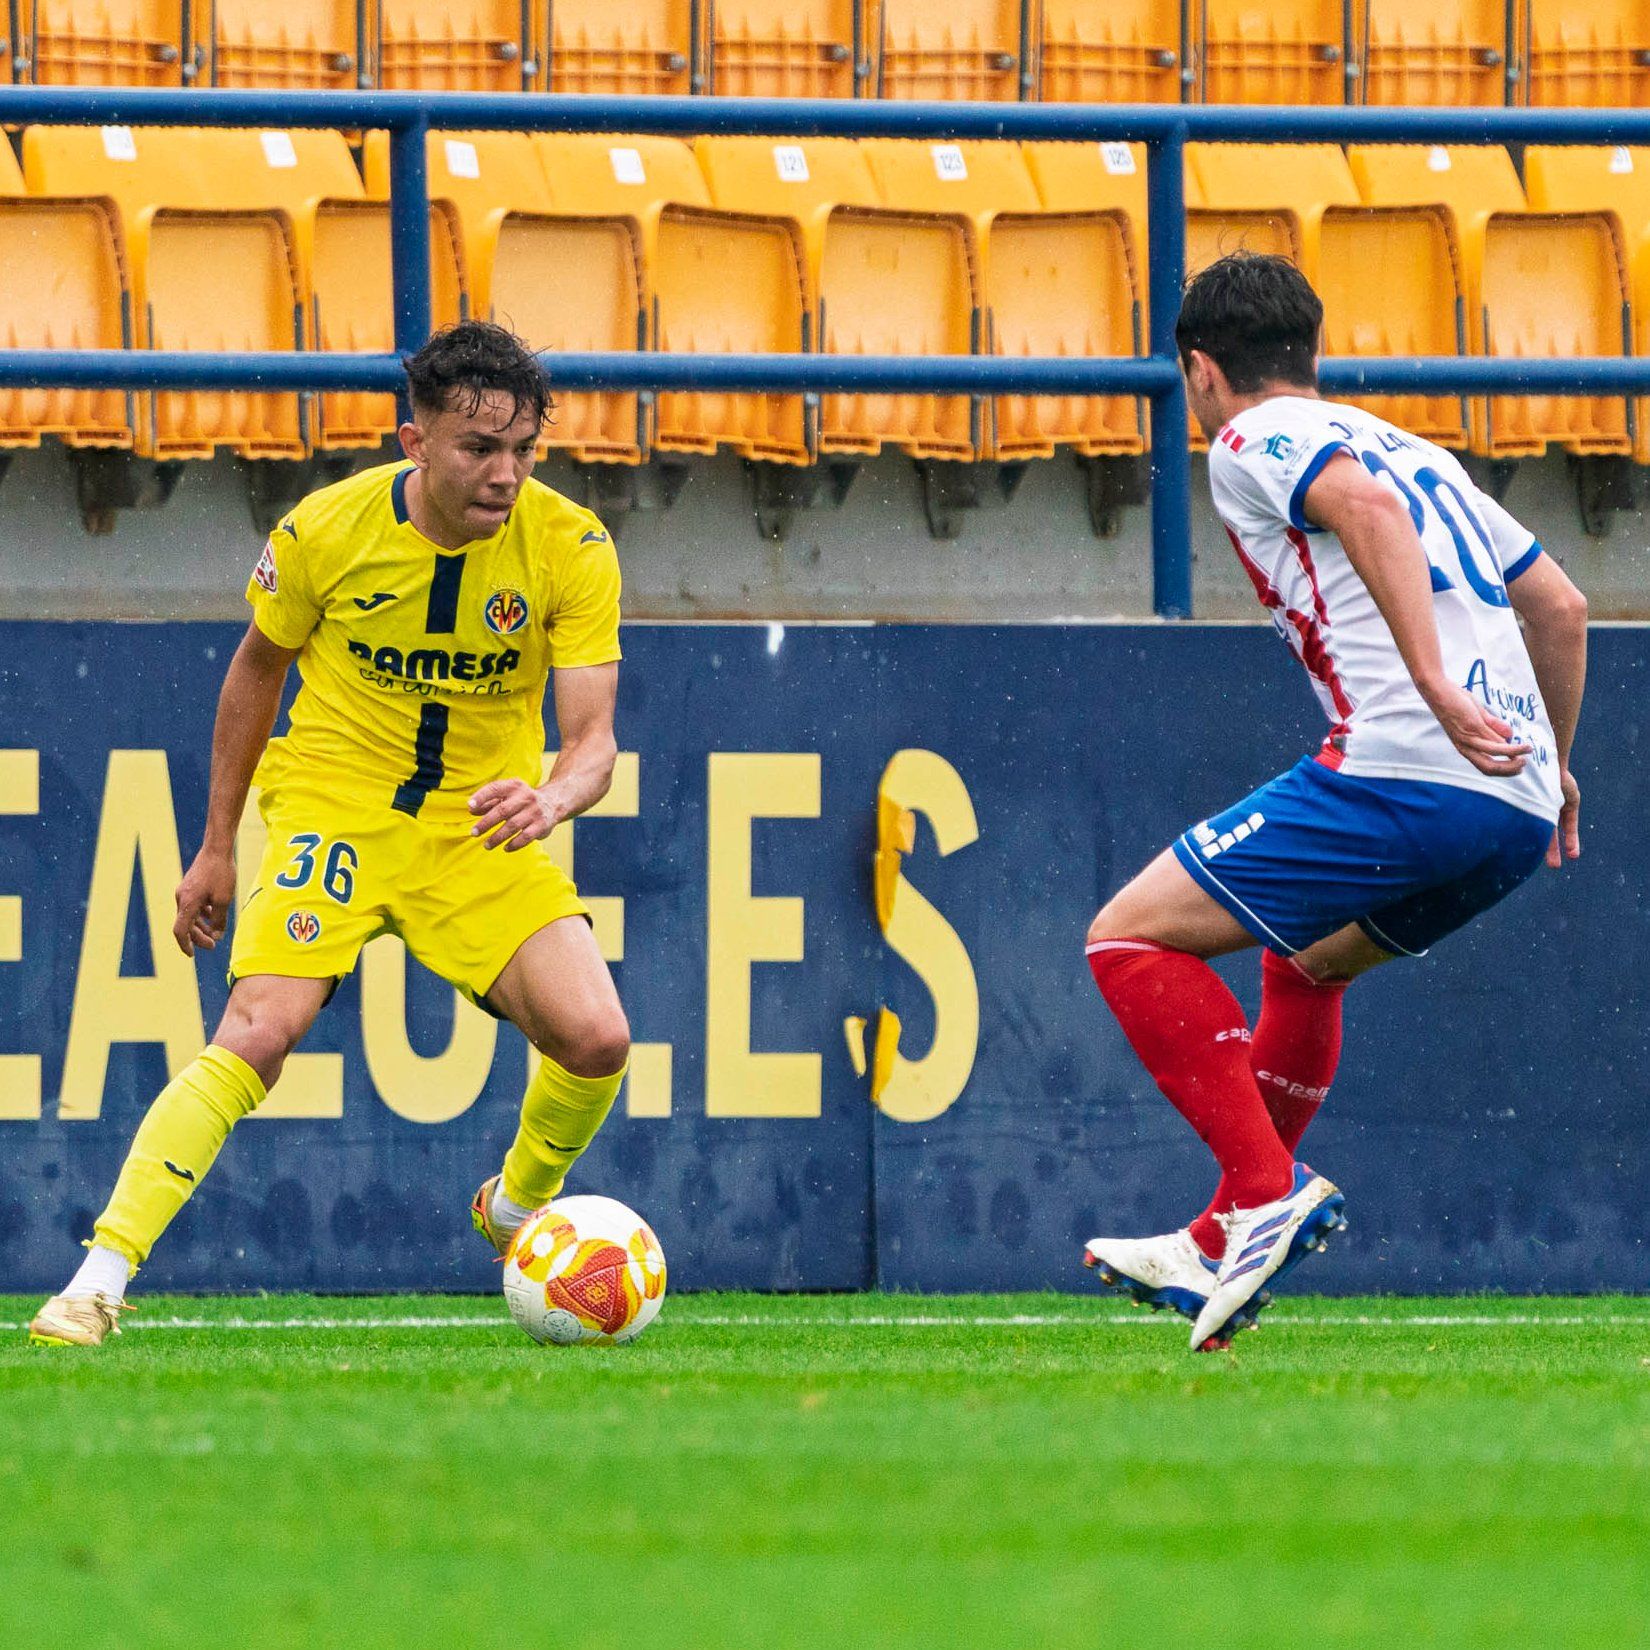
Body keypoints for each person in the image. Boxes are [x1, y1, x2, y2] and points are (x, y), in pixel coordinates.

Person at [30, 322, 630, 1347]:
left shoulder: (571, 545)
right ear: (415, 441)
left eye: (526, 450)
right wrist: (216, 844)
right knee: (259, 1030)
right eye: (479, 449)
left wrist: (556, 797)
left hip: (472, 828)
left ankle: (519, 1208)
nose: (506, 474)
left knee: (597, 1038)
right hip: (334, 807)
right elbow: (255, 671)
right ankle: (97, 1278)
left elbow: (592, 742)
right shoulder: (325, 531)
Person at [1081, 254, 1588, 1353]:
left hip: (1410, 762)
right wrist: (1555, 765)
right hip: (1510, 805)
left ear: (1201, 371)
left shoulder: (1253, 439)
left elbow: (1357, 509)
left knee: (1126, 940)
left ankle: (1264, 1193)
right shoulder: (1422, 454)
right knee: (1305, 961)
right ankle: (1226, 1234)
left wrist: (1437, 687)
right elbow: (1558, 603)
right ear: (1312, 352)